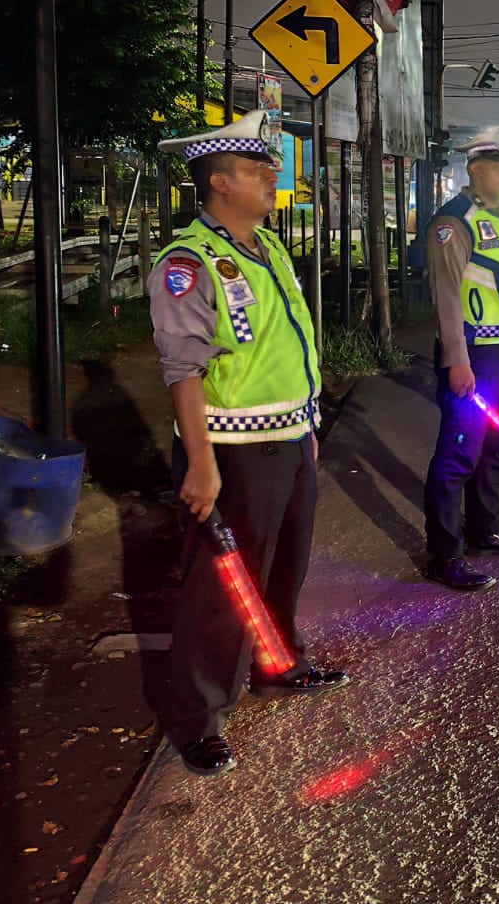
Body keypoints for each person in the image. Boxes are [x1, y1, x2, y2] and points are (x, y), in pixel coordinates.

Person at [148, 109, 348, 778]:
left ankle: (278, 664)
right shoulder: (189, 262)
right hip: (232, 451)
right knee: (219, 589)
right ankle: (197, 718)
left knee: (283, 570)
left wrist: (308, 427)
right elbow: (184, 368)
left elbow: (288, 350)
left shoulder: (270, 250)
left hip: (289, 440)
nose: (271, 177)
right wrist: (201, 462)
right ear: (219, 183)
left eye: (270, 167)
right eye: (257, 169)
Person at [421, 124, 499, 592]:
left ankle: (485, 530)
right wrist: (457, 359)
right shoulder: (454, 221)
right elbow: (447, 295)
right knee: (457, 456)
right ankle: (444, 554)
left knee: (497, 447)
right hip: (476, 356)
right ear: (476, 169)